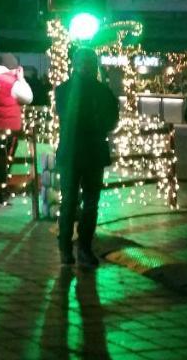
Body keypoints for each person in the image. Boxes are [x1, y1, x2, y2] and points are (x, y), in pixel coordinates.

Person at [54, 48, 119, 268]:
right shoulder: (103, 91)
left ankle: (65, 248)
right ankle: (83, 249)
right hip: (93, 152)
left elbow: (66, 117)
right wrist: (96, 126)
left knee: (69, 201)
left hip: (70, 152)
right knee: (90, 203)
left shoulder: (62, 90)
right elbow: (111, 121)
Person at [0, 53, 33, 206]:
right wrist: (21, 79)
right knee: (5, 158)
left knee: (0, 157)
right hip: (10, 126)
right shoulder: (11, 82)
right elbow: (28, 98)